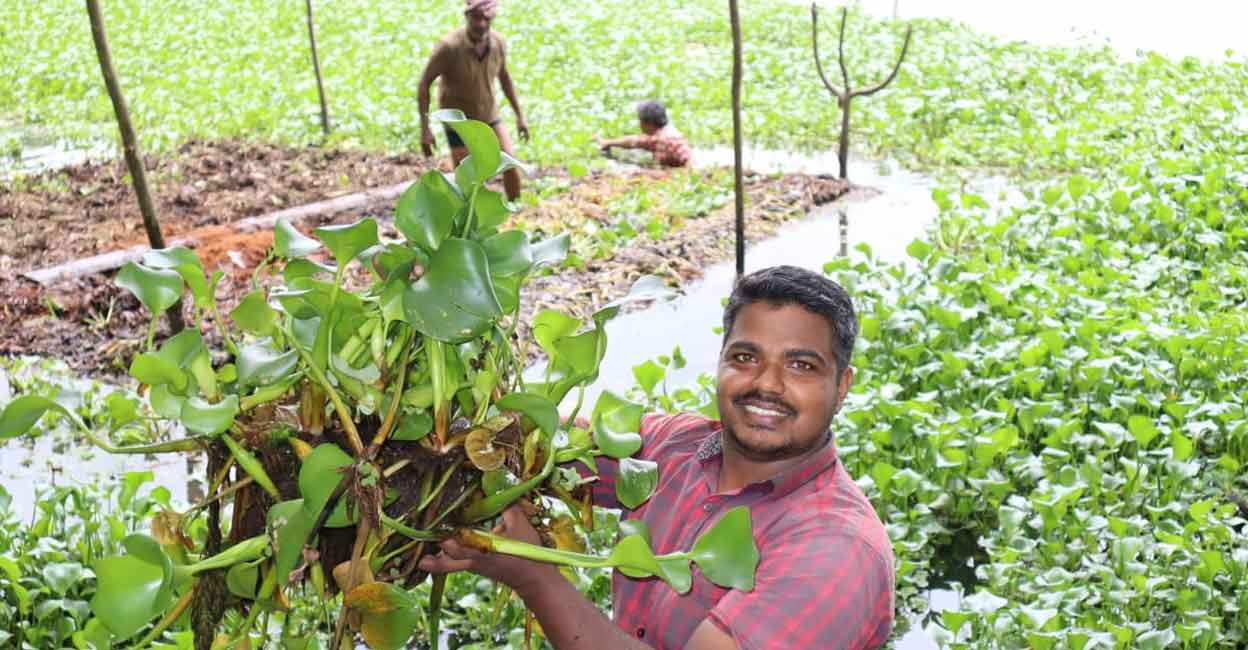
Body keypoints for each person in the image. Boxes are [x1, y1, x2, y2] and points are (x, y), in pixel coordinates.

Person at [421, 265, 896, 649]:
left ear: (843, 387)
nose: (766, 384)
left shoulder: (838, 549)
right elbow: (541, 445)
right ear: (721, 360)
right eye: (745, 357)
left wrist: (533, 578)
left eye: (801, 365)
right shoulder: (677, 446)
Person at [417, 0, 529, 200]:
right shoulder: (449, 47)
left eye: (487, 19)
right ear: (467, 17)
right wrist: (425, 129)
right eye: (476, 18)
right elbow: (425, 83)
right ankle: (470, 222)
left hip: (489, 115)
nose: (482, 24)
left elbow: (505, 78)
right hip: (460, 123)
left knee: (510, 163)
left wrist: (520, 116)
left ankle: (515, 208)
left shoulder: (498, 43)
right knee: (467, 178)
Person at [597, 100, 693, 168]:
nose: (639, 125)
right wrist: (608, 142)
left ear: (648, 124)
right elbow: (634, 141)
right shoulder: (667, 131)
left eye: (640, 121)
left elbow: (660, 169)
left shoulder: (661, 140)